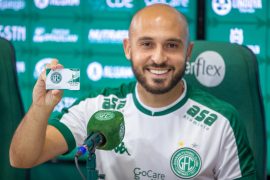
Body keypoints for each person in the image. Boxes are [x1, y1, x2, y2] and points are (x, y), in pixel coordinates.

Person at [10, 4, 256, 179]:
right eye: (146, 44)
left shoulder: (222, 121)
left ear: (188, 52)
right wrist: (40, 109)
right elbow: (22, 159)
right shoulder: (96, 107)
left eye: (171, 45)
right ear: (128, 48)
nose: (158, 58)